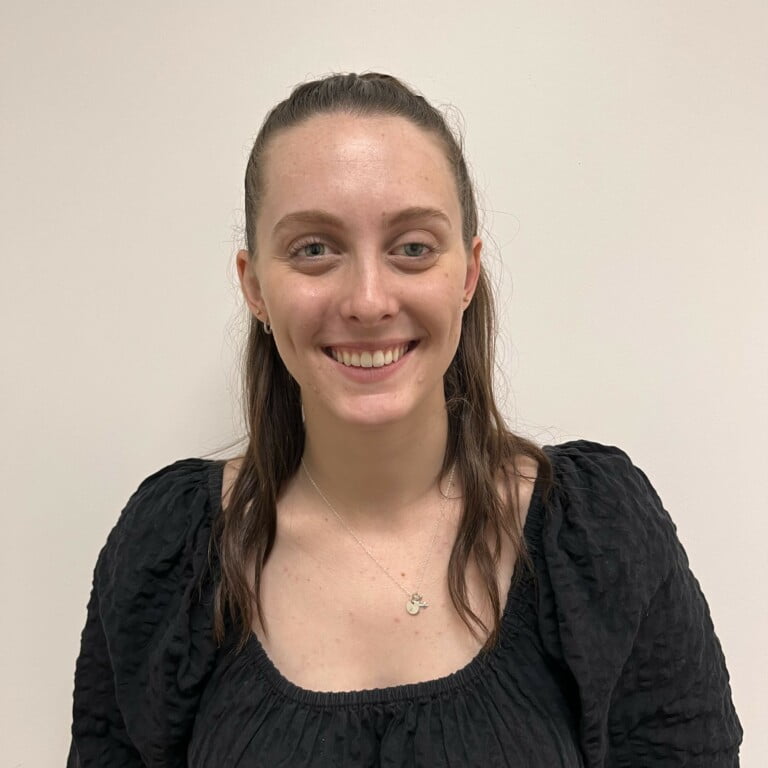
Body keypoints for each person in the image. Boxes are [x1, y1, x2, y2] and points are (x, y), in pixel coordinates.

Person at [68, 72, 742, 767]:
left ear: (467, 275)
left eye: (413, 247)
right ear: (255, 287)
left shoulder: (597, 536)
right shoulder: (167, 553)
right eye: (314, 249)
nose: (367, 299)